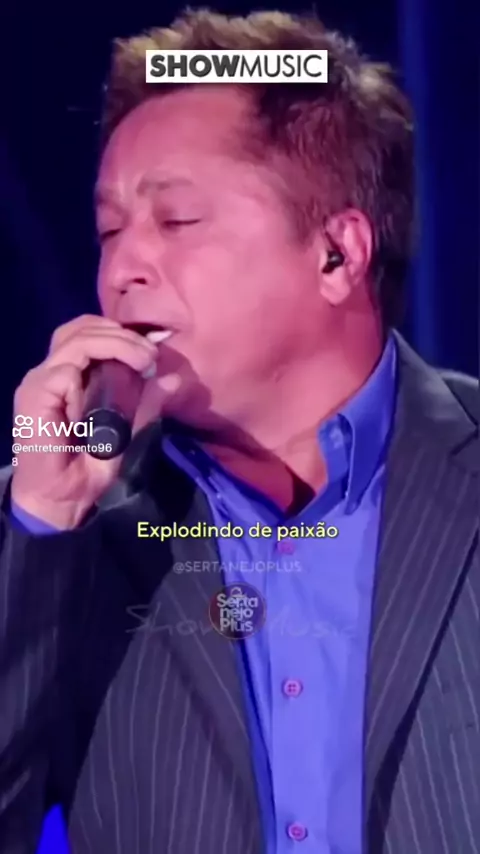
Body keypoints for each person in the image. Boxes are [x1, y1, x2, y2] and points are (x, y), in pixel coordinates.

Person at [0, 8, 478, 854]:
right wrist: (39, 521)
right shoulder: (72, 533)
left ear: (338, 254)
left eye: (177, 220)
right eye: (109, 231)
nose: (121, 269)